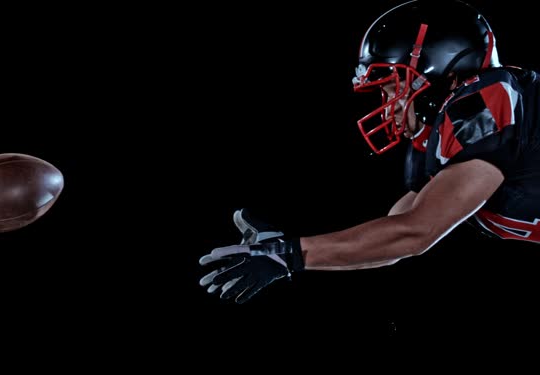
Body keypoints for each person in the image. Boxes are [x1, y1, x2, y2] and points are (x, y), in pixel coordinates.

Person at [199, 0, 539, 304]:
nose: (389, 107)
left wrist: (290, 254)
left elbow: (417, 231)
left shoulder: (482, 102)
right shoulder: (449, 138)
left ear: (444, 73)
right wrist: (289, 248)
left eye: (395, 88)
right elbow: (394, 239)